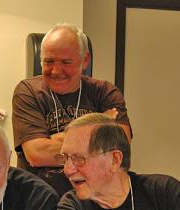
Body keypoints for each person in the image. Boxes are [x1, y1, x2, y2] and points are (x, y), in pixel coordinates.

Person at [12, 23, 131, 199]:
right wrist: (98, 134)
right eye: (49, 61)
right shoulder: (28, 91)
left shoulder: (105, 93)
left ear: (85, 60)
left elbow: (119, 148)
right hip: (40, 201)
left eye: (66, 62)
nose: (56, 71)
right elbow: (36, 153)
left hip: (95, 201)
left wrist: (53, 139)